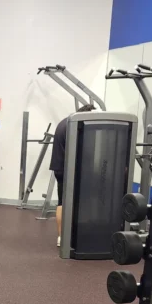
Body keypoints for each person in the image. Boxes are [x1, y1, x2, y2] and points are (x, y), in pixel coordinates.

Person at [49, 104, 95, 246]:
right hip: (67, 169)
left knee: (63, 202)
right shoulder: (73, 125)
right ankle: (65, 236)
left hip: (60, 168)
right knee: (65, 203)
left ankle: (62, 237)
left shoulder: (65, 121)